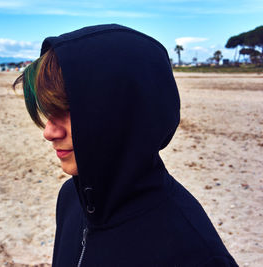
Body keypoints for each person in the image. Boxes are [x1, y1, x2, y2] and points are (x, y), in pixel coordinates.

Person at [13, 24, 238, 267]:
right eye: (49, 111)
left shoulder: (194, 253)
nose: (49, 132)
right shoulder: (70, 199)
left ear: (126, 112)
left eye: (68, 110)